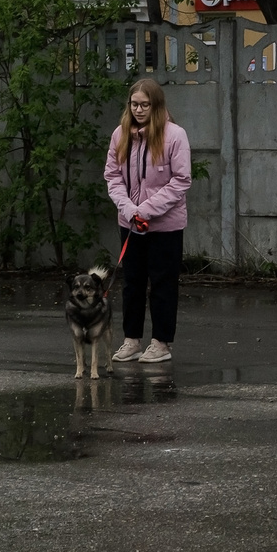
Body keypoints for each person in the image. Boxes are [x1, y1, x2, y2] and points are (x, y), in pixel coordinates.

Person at [104, 77, 192, 364]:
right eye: (134, 104)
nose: (139, 110)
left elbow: (181, 181)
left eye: (145, 104)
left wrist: (147, 209)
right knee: (132, 283)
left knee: (163, 284)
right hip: (130, 222)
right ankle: (131, 340)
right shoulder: (120, 135)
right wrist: (130, 209)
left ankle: (161, 343)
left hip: (165, 225)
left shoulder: (175, 135)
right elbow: (113, 177)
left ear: (156, 105)